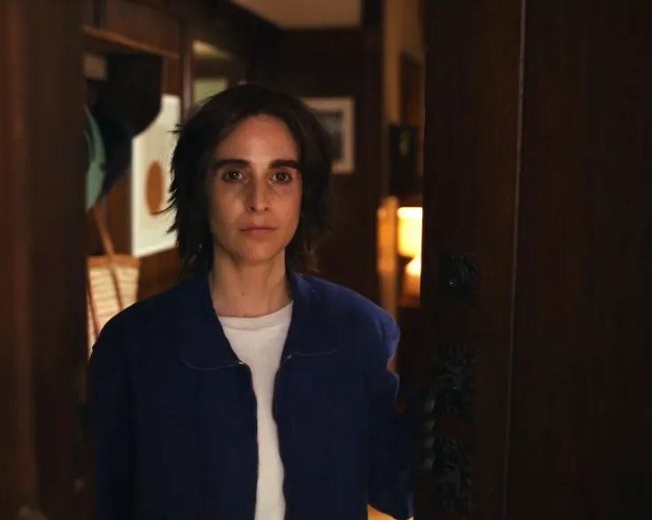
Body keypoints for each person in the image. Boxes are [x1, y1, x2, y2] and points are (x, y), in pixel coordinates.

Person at [87, 84, 413, 520]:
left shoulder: (356, 329)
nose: (259, 202)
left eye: (281, 177)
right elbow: (105, 500)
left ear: (306, 193)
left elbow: (397, 486)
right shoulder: (136, 343)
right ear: (201, 189)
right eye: (234, 175)